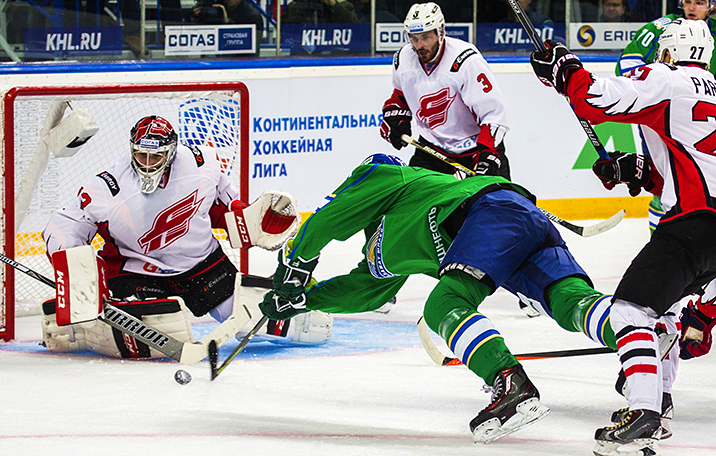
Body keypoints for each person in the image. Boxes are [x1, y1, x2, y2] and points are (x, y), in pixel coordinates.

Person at [258, 153, 623, 443]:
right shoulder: (382, 248)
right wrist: (307, 299)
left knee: (443, 307)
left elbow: (326, 220)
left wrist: (297, 262)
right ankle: (638, 333)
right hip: (508, 228)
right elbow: (365, 292)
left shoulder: (389, 176)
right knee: (570, 303)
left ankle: (509, 380)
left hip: (485, 214)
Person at [530, 18, 716, 456]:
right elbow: (692, 165)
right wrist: (637, 170)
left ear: (668, 52)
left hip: (691, 225)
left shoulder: (667, 77)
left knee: (630, 310)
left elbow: (599, 98)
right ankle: (660, 403)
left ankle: (644, 411)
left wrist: (565, 69)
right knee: (664, 310)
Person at [40, 115, 331, 359]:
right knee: (156, 338)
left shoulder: (203, 164)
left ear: (172, 150)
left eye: (156, 155)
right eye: (141, 154)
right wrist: (75, 274)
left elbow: (225, 207)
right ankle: (78, 330)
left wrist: (252, 221)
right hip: (139, 274)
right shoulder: (107, 188)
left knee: (295, 323)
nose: (148, 162)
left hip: (204, 266)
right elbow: (63, 226)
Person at [379, 2, 512, 179]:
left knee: (497, 205)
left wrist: (487, 154)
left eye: (426, 37)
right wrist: (395, 117)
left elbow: (494, 115)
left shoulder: (466, 61)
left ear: (440, 32)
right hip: (431, 150)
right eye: (414, 38)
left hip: (475, 151)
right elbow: (400, 94)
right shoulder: (403, 59)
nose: (420, 45)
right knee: (414, 202)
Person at [616, 0, 716, 235]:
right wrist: (654, 87)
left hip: (704, 123)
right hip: (664, 117)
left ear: (712, 5)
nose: (692, 8)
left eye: (699, 2)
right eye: (688, 1)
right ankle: (662, 244)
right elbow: (627, 62)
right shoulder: (662, 26)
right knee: (666, 183)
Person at [280, 0, 358, 24]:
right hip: (303, 57)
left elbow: (356, 27)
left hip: (334, 55)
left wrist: (334, 5)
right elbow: (284, 29)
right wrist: (303, 5)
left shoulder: (344, 6)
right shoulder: (298, 5)